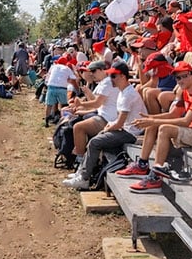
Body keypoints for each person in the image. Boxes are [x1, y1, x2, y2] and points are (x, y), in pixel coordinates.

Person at [116, 61, 192, 190]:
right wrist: (150, 118)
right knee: (153, 126)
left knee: (164, 129)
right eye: (178, 77)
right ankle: (142, 165)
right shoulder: (185, 92)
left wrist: (154, 121)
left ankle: (156, 176)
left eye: (185, 76)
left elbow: (185, 121)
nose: (181, 80)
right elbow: (173, 114)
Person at [63, 61, 147, 189]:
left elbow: (120, 123)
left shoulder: (127, 95)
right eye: (110, 75)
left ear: (123, 77)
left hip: (131, 132)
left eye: (114, 76)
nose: (111, 79)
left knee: (95, 141)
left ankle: (84, 177)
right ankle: (82, 173)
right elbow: (118, 120)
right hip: (126, 129)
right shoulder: (123, 92)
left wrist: (107, 128)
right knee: (95, 140)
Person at [66, 60, 119, 168]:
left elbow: (96, 103)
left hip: (108, 118)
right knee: (78, 123)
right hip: (105, 115)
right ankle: (80, 159)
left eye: (93, 71)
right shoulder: (105, 82)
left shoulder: (108, 83)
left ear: (102, 70)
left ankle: (80, 161)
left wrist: (81, 104)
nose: (91, 74)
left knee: (78, 127)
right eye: (90, 71)